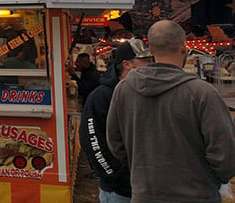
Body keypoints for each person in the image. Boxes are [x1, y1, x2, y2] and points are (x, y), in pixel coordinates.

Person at [107, 20, 235, 202]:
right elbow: (225, 153)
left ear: (150, 49)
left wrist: (143, 168)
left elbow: (115, 143)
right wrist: (210, 181)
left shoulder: (124, 89)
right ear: (184, 47)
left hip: (145, 195)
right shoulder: (202, 93)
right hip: (197, 196)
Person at [80, 39, 153, 203]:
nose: (151, 65)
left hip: (150, 189)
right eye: (146, 61)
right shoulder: (102, 96)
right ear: (127, 64)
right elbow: (92, 139)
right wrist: (118, 176)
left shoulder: (147, 91)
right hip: (120, 192)